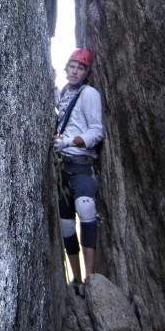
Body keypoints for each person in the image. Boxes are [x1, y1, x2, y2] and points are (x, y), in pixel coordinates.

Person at [53, 48, 103, 295]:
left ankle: (91, 280)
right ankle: (76, 279)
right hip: (63, 167)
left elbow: (96, 131)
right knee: (65, 226)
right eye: (72, 66)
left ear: (86, 72)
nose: (75, 71)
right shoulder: (63, 94)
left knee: (86, 209)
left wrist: (70, 142)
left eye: (80, 67)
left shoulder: (89, 94)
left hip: (81, 164)